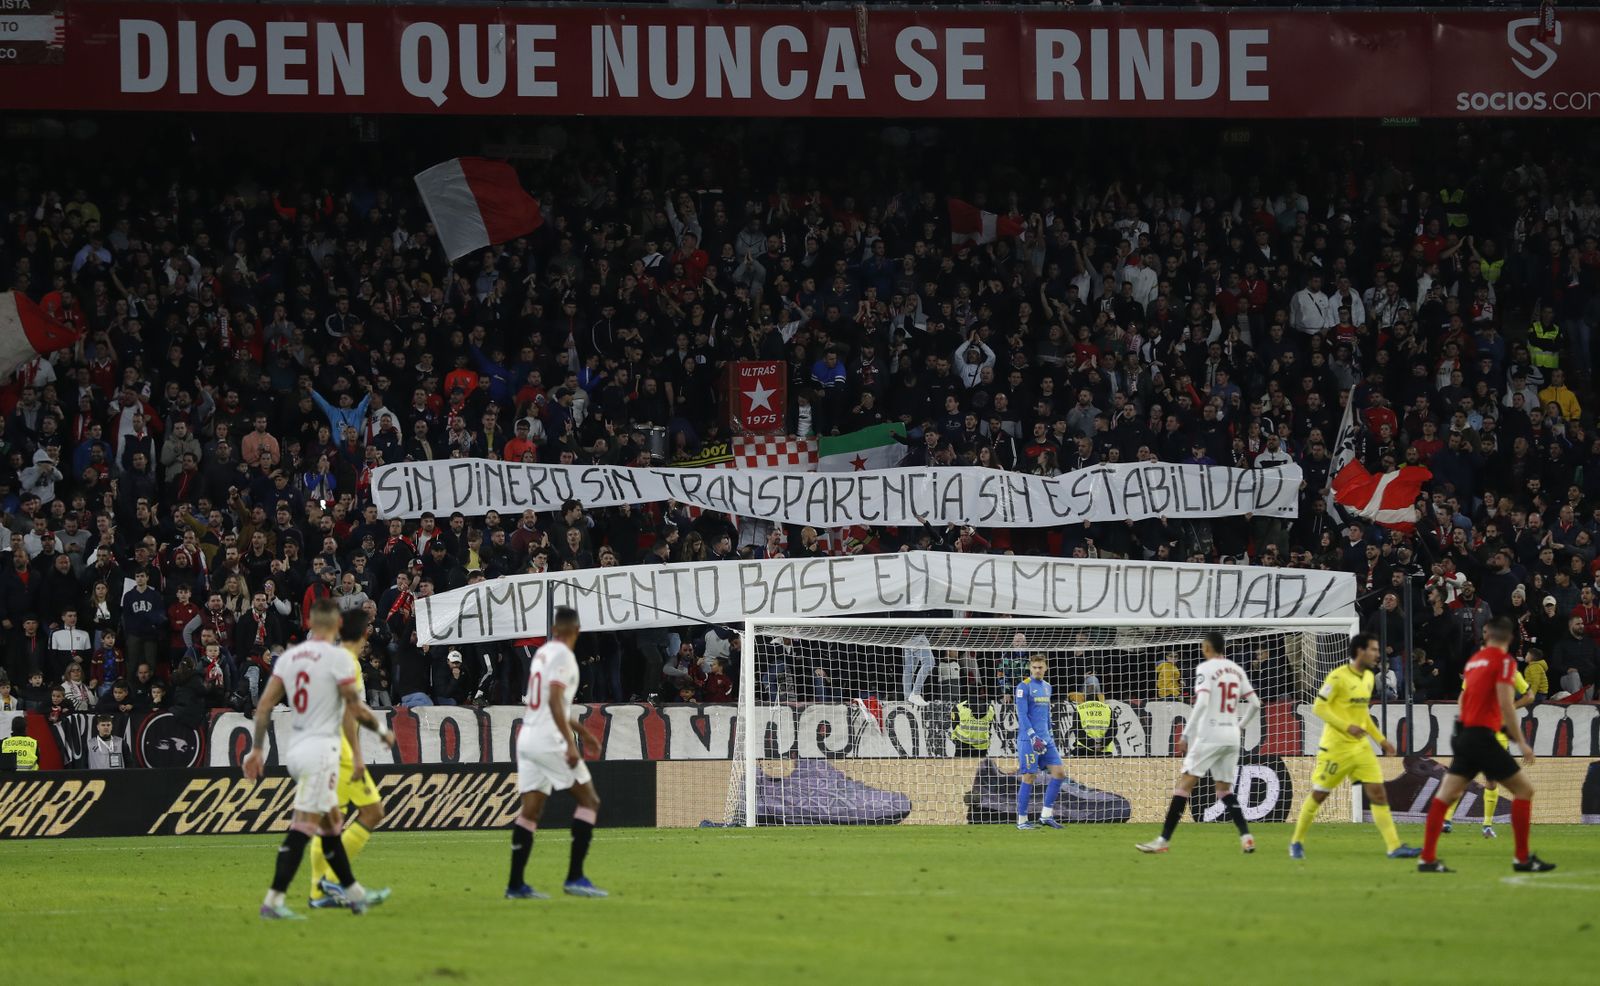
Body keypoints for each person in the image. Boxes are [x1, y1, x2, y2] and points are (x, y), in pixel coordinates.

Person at [242, 600, 396, 919]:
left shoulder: (290, 657)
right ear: (337, 625)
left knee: (332, 825)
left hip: (295, 750)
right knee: (303, 828)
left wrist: (256, 749)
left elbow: (264, 706)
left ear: (310, 621)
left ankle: (352, 894)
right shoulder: (338, 658)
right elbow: (354, 707)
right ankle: (273, 902)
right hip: (322, 752)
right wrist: (381, 730)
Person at [1418, 618, 1555, 874]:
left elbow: (1462, 699)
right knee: (1524, 791)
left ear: (1486, 635)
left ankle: (1427, 858)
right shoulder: (1504, 662)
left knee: (1444, 797)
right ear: (1509, 638)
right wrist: (1521, 742)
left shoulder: (1474, 663)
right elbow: (1506, 703)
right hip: (1484, 737)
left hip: (1465, 735)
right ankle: (1522, 858)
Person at [1287, 634, 1421, 860]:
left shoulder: (1368, 678)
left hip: (1360, 749)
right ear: (1360, 651)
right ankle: (1296, 842)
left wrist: (1381, 739)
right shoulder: (1338, 677)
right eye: (1374, 649)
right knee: (1319, 795)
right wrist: (1346, 726)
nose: (1378, 654)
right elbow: (1319, 707)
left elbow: (1364, 716)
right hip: (1336, 749)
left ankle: (1394, 847)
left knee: (1378, 794)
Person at [506, 606, 608, 900]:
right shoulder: (564, 656)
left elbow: (549, 703)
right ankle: (575, 877)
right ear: (576, 631)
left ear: (553, 629)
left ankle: (515, 885)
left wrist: (585, 732)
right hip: (549, 740)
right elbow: (552, 700)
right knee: (589, 801)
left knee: (531, 810)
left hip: (527, 737)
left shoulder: (542, 653)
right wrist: (571, 743)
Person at [1137, 631, 1260, 855]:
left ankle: (1163, 840)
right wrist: (1240, 726)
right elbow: (1255, 704)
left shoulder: (1205, 669)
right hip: (1232, 736)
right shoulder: (1237, 670)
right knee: (1223, 790)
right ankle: (1246, 837)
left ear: (1207, 648)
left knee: (1184, 786)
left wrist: (1185, 734)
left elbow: (1202, 703)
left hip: (1211, 733)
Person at [307, 608, 389, 909]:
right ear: (366, 633)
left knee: (332, 822)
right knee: (371, 812)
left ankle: (319, 892)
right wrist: (356, 755)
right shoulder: (349, 663)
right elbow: (347, 712)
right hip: (338, 752)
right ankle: (329, 881)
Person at [1441, 656, 1534, 839]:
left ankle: (1487, 825)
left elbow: (1529, 696)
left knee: (1491, 781)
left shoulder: (1511, 673)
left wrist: (1511, 706)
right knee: (1462, 777)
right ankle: (1447, 820)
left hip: (1498, 735)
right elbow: (1462, 698)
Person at [1014, 654, 1068, 830]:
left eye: (1040, 667)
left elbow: (1046, 714)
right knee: (1029, 776)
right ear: (1030, 668)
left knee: (1059, 773)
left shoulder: (1047, 687)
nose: (1037, 670)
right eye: (1035, 667)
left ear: (1046, 668)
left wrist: (1049, 734)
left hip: (1046, 739)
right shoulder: (1023, 687)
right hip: (1029, 740)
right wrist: (1033, 736)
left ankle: (1045, 815)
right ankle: (1022, 821)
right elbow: (1022, 715)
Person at [948, 691, 995, 757]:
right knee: (979, 765)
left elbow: (954, 726)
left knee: (960, 766)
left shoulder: (958, 707)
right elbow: (989, 726)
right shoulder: (991, 708)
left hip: (963, 744)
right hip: (982, 745)